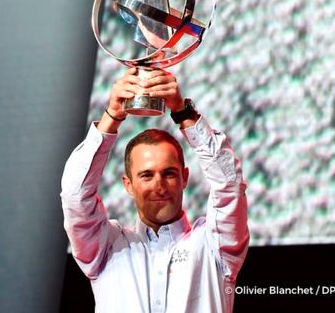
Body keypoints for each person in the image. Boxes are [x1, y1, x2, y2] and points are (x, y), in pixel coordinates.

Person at [61, 67, 249, 312]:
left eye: (169, 173)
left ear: (184, 178)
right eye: (146, 175)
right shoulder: (106, 246)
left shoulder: (214, 245)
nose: (159, 186)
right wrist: (113, 115)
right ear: (128, 185)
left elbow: (230, 185)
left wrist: (183, 111)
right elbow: (75, 195)